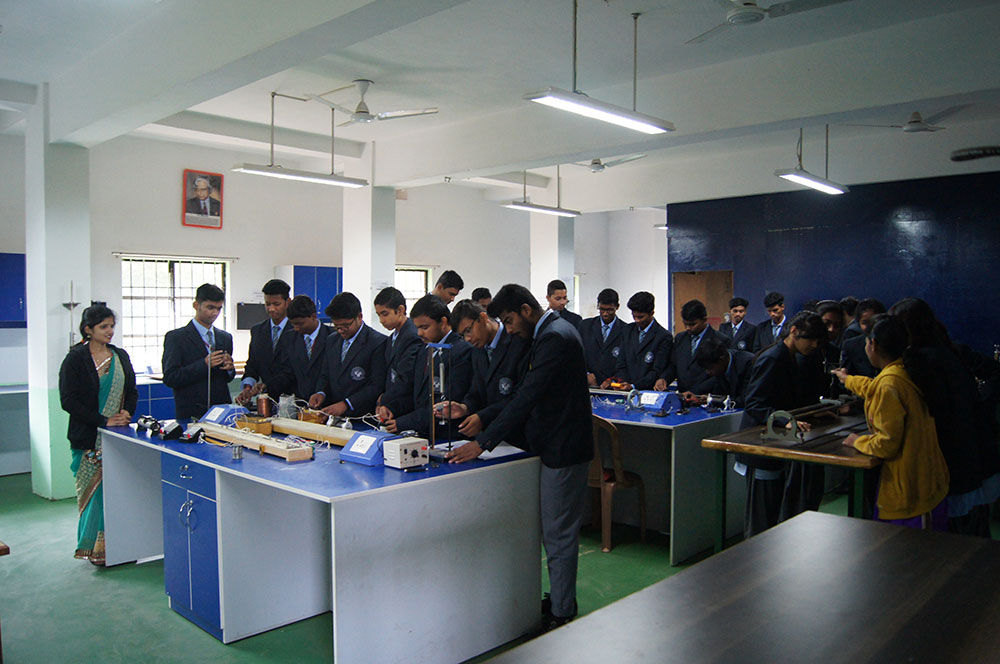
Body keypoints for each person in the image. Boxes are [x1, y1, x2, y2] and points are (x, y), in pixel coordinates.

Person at [445, 284, 593, 632]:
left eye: (510, 321)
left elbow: (526, 396)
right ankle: (559, 599)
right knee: (552, 531)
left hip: (563, 448)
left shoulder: (554, 337)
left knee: (558, 533)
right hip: (550, 444)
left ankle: (562, 611)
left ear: (526, 310)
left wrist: (483, 442)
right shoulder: (547, 333)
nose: (509, 330)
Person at [889, 297, 1000, 536]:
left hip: (948, 453)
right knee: (974, 530)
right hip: (974, 447)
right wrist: (981, 404)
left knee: (949, 534)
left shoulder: (916, 359)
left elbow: (931, 408)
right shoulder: (951, 348)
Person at [832, 315, 950, 530]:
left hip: (910, 490)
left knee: (905, 547)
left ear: (873, 344)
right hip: (927, 479)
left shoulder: (890, 384)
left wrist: (858, 441)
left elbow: (886, 444)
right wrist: (848, 379)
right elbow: (874, 387)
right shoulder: (903, 370)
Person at [59, 305, 138, 566]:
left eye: (112, 326)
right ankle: (95, 549)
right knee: (94, 495)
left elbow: (131, 390)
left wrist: (126, 412)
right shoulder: (75, 359)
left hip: (117, 438)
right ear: (88, 329)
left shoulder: (120, 356)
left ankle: (118, 546)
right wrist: (103, 421)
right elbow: (68, 401)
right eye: (103, 326)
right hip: (87, 438)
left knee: (117, 492)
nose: (110, 331)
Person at [739, 311, 827, 537]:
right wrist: (785, 420)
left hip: (776, 444)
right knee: (761, 518)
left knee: (773, 511)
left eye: (818, 340)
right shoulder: (773, 357)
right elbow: (754, 404)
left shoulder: (792, 357)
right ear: (794, 331)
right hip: (760, 446)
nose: (814, 345)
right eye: (810, 339)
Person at [435, 299, 530, 438]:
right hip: (492, 435)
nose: (467, 339)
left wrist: (483, 417)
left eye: (468, 330)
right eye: (462, 335)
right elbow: (477, 390)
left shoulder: (517, 340)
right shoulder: (478, 350)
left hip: (520, 433)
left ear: (483, 318)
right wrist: (464, 407)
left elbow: (521, 396)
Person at [383, 294, 472, 437]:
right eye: (417, 327)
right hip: (423, 433)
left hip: (448, 435)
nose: (419, 333)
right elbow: (416, 394)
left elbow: (446, 404)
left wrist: (405, 422)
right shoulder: (425, 349)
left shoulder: (461, 351)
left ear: (443, 322)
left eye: (424, 327)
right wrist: (393, 408)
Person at [162, 283, 235, 421]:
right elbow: (170, 377)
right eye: (210, 307)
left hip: (222, 411)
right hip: (191, 412)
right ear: (196, 305)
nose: (215, 313)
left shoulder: (225, 337)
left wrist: (230, 369)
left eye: (219, 308)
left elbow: (227, 378)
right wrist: (203, 364)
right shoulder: (176, 338)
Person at [308, 292, 387, 418]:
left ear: (359, 317)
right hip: (334, 415)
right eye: (336, 326)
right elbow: (325, 374)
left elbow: (376, 386)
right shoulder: (332, 340)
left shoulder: (377, 342)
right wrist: (320, 392)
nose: (340, 330)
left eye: (346, 325)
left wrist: (346, 404)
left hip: (362, 416)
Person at [237, 278, 295, 406]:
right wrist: (248, 386)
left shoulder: (298, 329)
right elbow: (252, 364)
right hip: (266, 402)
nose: (271, 309)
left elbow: (293, 369)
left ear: (288, 302)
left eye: (276, 304)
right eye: (267, 304)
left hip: (292, 400)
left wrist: (267, 385)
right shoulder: (258, 330)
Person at [603, 291, 672, 391]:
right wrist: (621, 382)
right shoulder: (627, 331)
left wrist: (634, 386)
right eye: (633, 316)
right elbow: (621, 364)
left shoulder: (663, 336)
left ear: (652, 313)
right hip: (625, 390)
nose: (637, 320)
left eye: (640, 317)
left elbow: (657, 371)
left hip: (648, 391)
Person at [373, 287, 423, 424]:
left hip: (407, 404)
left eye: (385, 314)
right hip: (393, 403)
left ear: (400, 310)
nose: (381, 320)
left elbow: (406, 377)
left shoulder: (412, 335)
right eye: (378, 315)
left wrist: (384, 399)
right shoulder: (392, 338)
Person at [659, 299, 729, 395]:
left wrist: (696, 392)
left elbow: (721, 374)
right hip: (682, 396)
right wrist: (664, 379)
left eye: (692, 324)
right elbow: (673, 366)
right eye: (685, 324)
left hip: (707, 396)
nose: (688, 328)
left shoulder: (721, 340)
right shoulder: (680, 338)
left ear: (704, 320)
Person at [279, 295, 331, 401]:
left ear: (313, 316)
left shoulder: (332, 337)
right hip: (300, 402)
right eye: (293, 324)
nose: (296, 328)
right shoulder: (289, 337)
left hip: (329, 402)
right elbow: (287, 371)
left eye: (300, 324)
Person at [578, 288, 626, 387]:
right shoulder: (585, 326)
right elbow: (576, 354)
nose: (605, 314)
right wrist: (586, 374)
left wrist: (613, 380)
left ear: (617, 307)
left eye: (609, 310)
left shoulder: (626, 330)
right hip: (587, 384)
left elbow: (626, 363)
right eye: (602, 309)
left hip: (613, 386)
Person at [692, 335, 754, 407]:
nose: (708, 372)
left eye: (710, 368)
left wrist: (714, 400)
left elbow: (746, 399)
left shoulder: (748, 364)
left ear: (721, 360)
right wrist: (707, 398)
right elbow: (719, 393)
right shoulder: (720, 367)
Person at [839, 298, 886, 379]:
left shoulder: (893, 342)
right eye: (865, 323)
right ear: (859, 324)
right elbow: (844, 378)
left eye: (874, 321)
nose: (870, 326)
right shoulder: (851, 346)